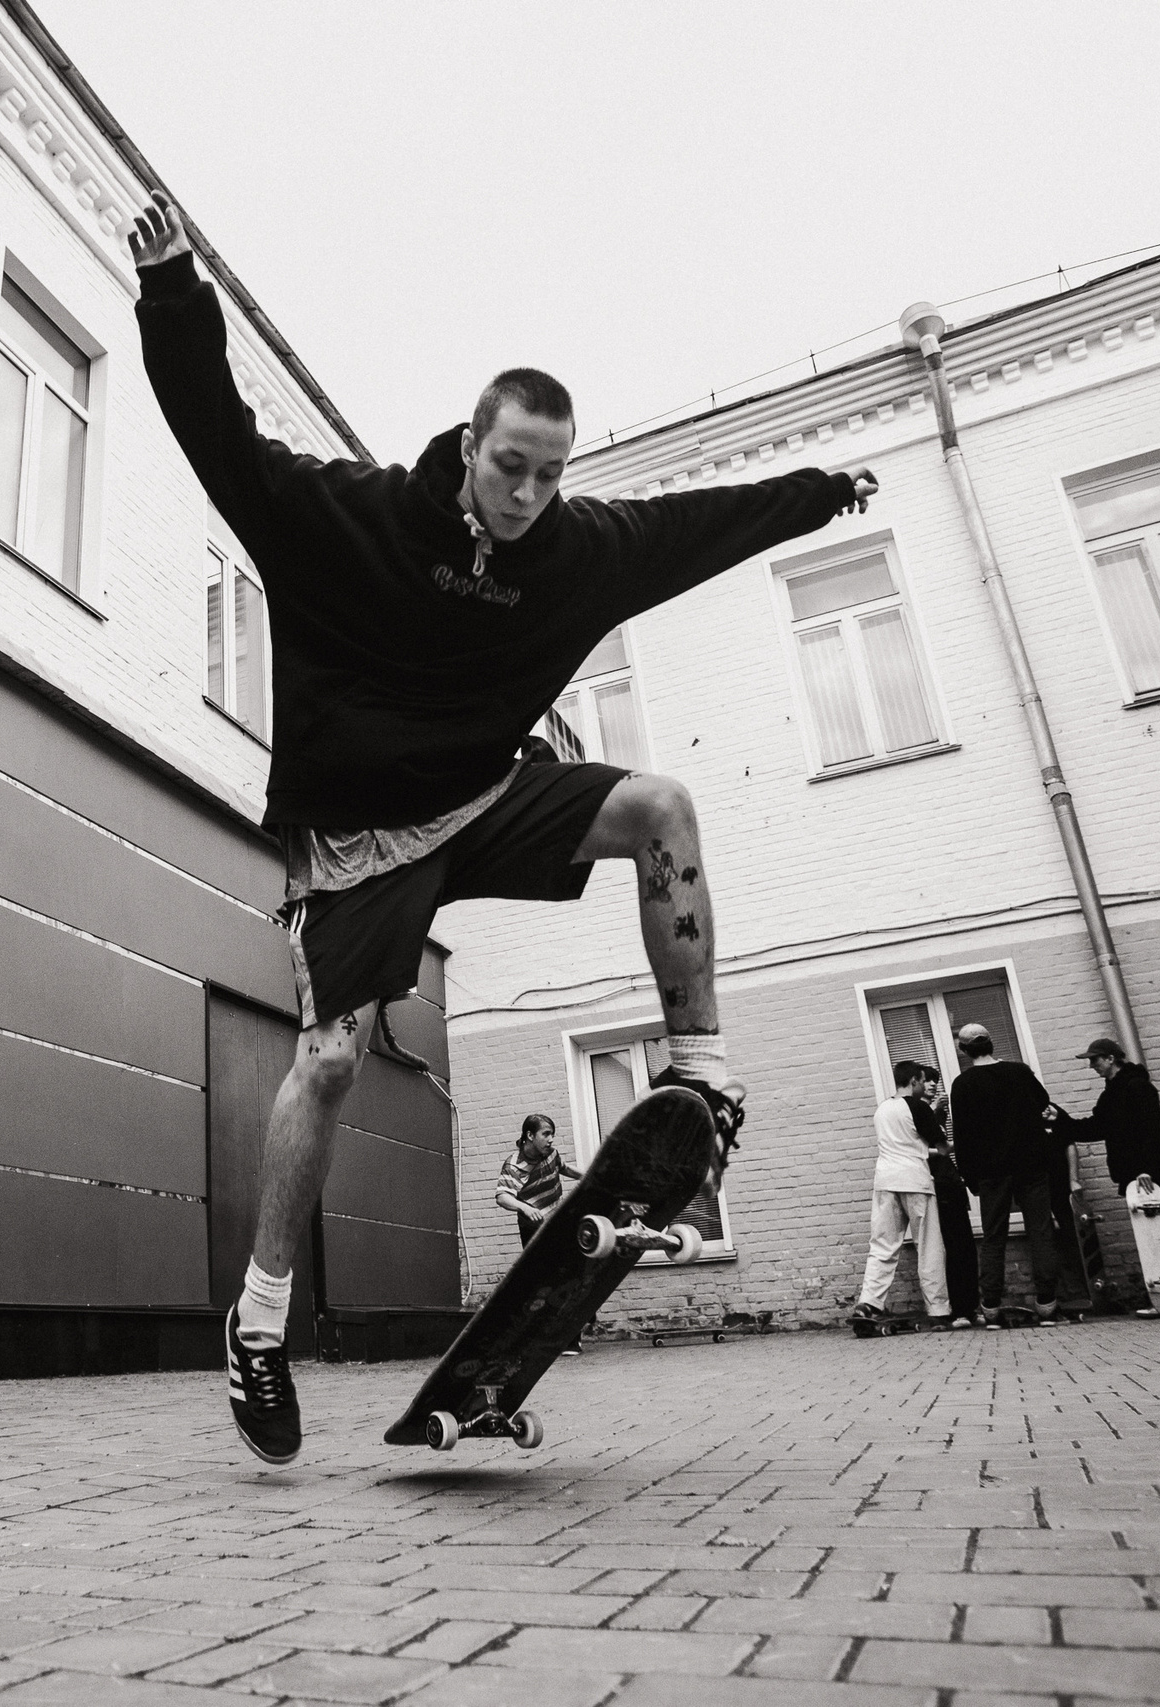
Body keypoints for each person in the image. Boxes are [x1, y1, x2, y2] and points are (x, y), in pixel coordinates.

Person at [129, 196, 876, 1463]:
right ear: (467, 447)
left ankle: (698, 1072)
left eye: (549, 472)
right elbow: (223, 442)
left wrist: (813, 492)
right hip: (359, 834)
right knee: (328, 1059)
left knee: (661, 809)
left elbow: (701, 526)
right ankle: (258, 1325)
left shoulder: (579, 549)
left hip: (483, 798)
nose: (528, 493)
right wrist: (172, 299)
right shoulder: (351, 518)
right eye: (508, 465)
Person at [1046, 1036, 1160, 1316]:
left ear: (1111, 1058)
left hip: (1146, 1176)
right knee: (1150, 1235)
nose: (1091, 1066)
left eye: (1095, 1059)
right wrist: (1061, 1119)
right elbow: (1095, 1128)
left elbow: (1155, 1132)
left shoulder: (1136, 1087)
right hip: (1133, 1174)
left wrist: (1147, 1170)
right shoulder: (1112, 1092)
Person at [947, 1023, 1062, 1325]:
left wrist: (969, 1176)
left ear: (964, 1050)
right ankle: (1048, 1303)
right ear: (992, 1044)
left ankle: (992, 1307)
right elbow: (1042, 1102)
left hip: (990, 1171)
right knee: (1040, 1230)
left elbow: (962, 1136)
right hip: (1031, 1165)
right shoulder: (1020, 1072)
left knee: (993, 1236)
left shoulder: (962, 1084)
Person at [852, 1063, 962, 1330]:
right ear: (913, 1081)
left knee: (882, 1246)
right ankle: (938, 1310)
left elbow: (904, 1141)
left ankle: (868, 1303)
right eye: (923, 1081)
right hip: (915, 1181)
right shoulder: (917, 1107)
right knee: (929, 1246)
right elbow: (943, 1148)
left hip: (885, 1182)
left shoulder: (882, 1109)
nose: (925, 1086)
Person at [495, 1115, 585, 1353]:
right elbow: (502, 1196)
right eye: (546, 1134)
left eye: (551, 1134)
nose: (550, 1139)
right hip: (533, 1227)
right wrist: (525, 1207)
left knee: (569, 1271)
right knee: (546, 1280)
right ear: (529, 1136)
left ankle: (573, 1334)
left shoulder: (551, 1154)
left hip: (557, 1220)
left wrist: (586, 1176)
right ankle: (545, 1334)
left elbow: (563, 1168)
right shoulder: (514, 1165)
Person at [910, 1066, 979, 1325]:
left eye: (935, 1081)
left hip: (951, 1184)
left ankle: (969, 1307)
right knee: (950, 1247)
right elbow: (930, 1148)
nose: (932, 1085)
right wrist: (937, 1116)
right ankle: (959, 1309)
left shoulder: (933, 1111)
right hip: (936, 1186)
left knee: (964, 1246)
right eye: (927, 1081)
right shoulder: (917, 1112)